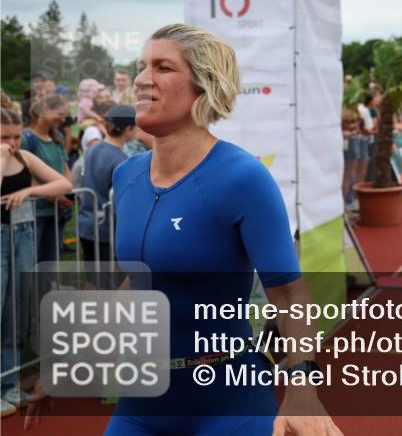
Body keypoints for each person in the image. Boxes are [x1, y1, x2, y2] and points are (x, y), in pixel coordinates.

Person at [25, 24, 342, 435]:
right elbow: (137, 285)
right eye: (141, 66)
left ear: (202, 87)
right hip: (142, 400)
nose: (142, 79)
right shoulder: (127, 176)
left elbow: (289, 292)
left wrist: (303, 387)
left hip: (229, 402)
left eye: (162, 67)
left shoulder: (243, 176)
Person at [1, 106, 72, 417]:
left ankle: (10, 380)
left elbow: (63, 184)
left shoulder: (25, 158)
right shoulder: (7, 159)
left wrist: (31, 189)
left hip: (23, 236)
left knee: (17, 307)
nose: (12, 143)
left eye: (16, 136)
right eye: (5, 137)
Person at [77, 105, 136, 268]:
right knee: (109, 286)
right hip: (105, 230)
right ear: (128, 128)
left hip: (86, 224)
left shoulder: (92, 149)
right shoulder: (121, 159)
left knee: (92, 281)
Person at [20, 95, 72, 264]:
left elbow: (65, 167)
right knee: (31, 262)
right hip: (37, 212)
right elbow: (28, 177)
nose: (64, 119)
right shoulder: (26, 139)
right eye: (60, 114)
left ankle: (47, 291)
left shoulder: (57, 136)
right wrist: (55, 196)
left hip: (56, 211)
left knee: (50, 263)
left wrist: (68, 191)